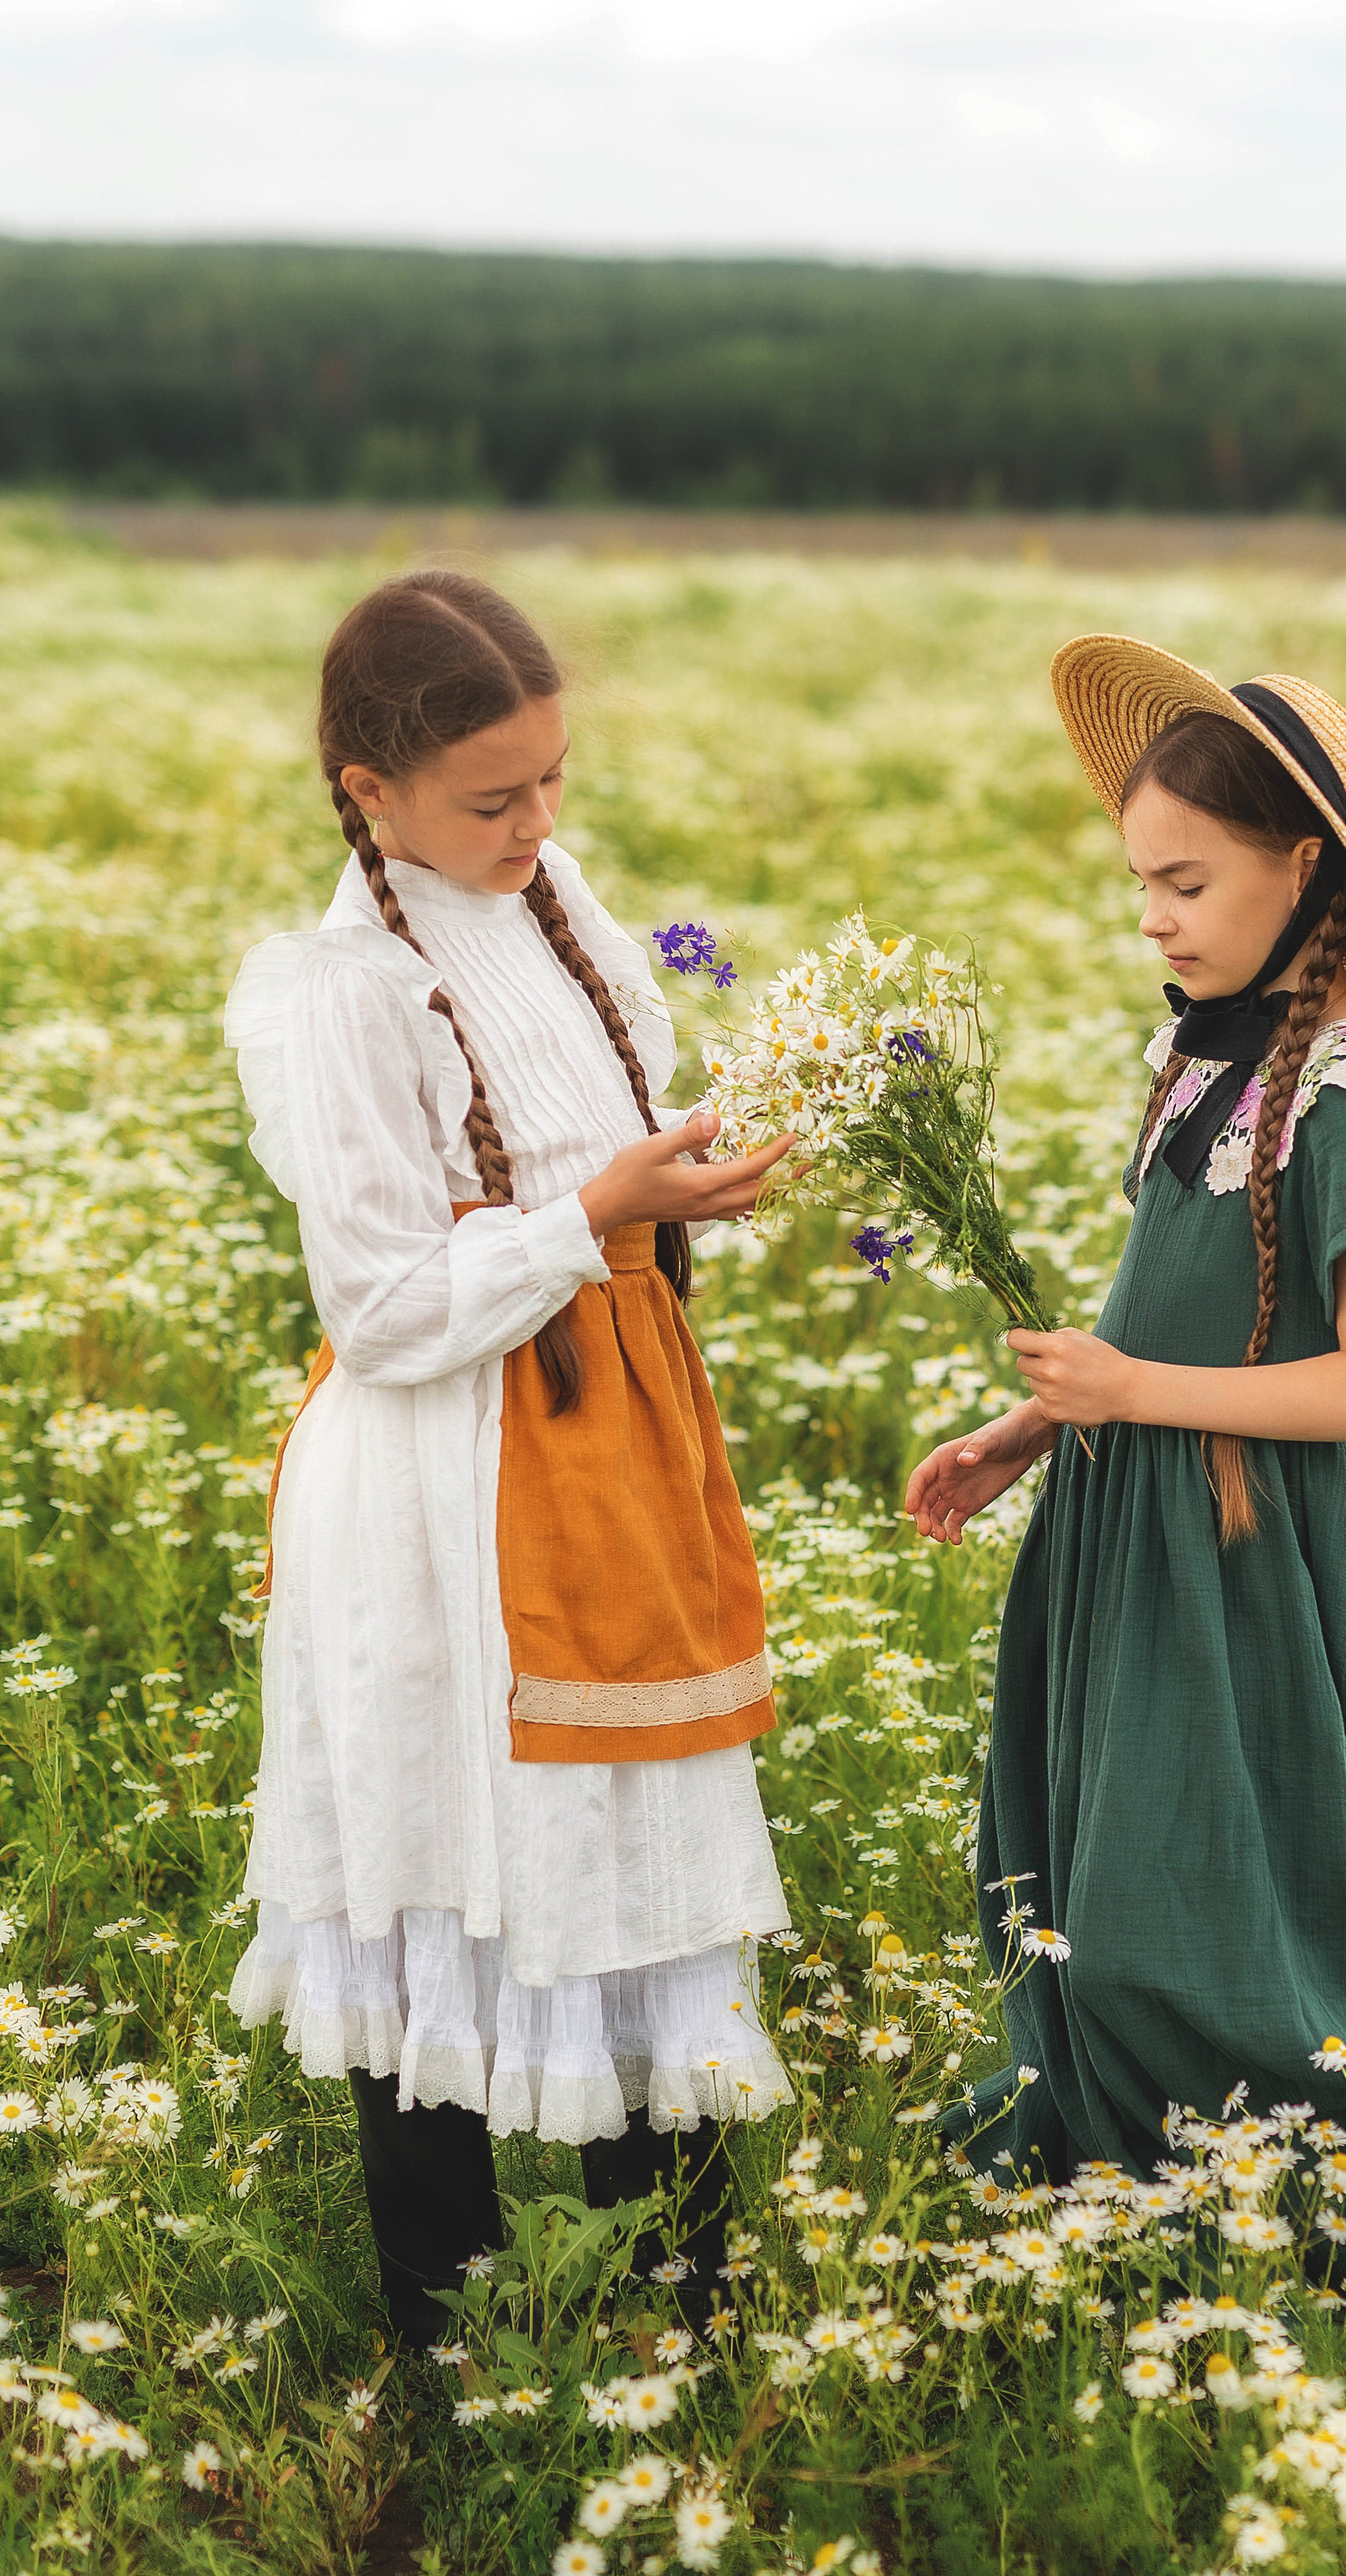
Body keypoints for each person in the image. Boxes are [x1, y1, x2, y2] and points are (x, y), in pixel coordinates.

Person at [905, 637, 1346, 2288]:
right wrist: (1034, 1426)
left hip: (1255, 1568)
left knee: (1197, 1912)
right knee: (1083, 1877)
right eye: (1139, 879)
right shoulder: (1211, 1055)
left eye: (1183, 880)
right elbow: (1180, 1305)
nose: (1150, 912)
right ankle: (1154, 2185)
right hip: (1136, 1528)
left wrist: (1130, 1388)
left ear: (1303, 873)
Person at [224, 569, 796, 2342]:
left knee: (639, 1842)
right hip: (434, 1487)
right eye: (491, 797)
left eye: (553, 779)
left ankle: (680, 2316)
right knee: (437, 1862)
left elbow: (592, 1146)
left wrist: (669, 1186)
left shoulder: (553, 901)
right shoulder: (335, 990)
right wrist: (595, 1213)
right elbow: (386, 1304)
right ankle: (454, 2338)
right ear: (363, 787)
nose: (534, 822)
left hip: (603, 1432)